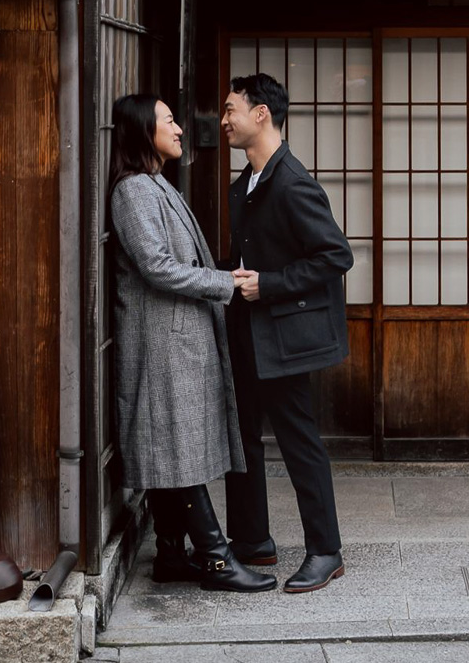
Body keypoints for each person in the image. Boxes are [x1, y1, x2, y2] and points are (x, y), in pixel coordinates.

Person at [108, 93, 275, 593]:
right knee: (175, 448)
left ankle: (170, 555)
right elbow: (156, 266)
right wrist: (223, 283)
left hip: (173, 338)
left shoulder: (155, 183)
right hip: (160, 343)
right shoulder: (134, 191)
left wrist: (222, 276)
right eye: (168, 121)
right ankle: (216, 560)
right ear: (143, 131)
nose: (180, 128)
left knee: (170, 446)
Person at [221, 73, 353, 593]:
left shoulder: (293, 181)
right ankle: (253, 539)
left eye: (231, 108)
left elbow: (335, 256)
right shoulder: (247, 184)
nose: (224, 119)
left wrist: (269, 285)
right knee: (243, 437)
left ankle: (326, 551)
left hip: (286, 340)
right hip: (249, 334)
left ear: (261, 114)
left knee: (299, 444)